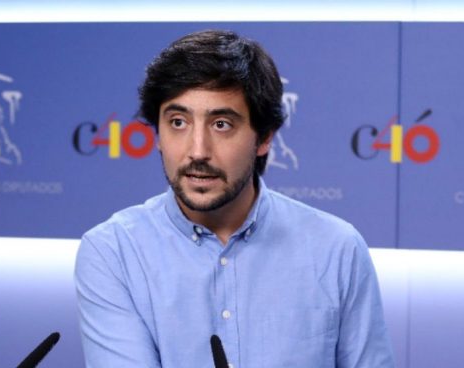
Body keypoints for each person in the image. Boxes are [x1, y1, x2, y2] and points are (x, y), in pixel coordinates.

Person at [75, 30, 395, 368]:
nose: (197, 151)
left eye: (222, 124)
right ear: (157, 133)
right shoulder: (112, 251)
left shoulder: (336, 249)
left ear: (264, 138)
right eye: (178, 122)